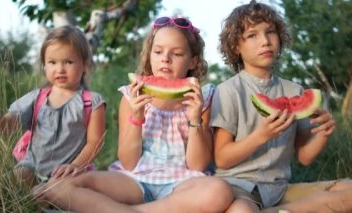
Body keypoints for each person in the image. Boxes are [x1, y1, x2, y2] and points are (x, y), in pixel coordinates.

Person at [37, 16, 234, 212]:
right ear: (150, 55)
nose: (165, 58)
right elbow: (129, 163)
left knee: (219, 190)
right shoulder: (131, 96)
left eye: (177, 53)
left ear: (193, 61)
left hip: (183, 184)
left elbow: (197, 165)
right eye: (158, 51)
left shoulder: (203, 98)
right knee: (64, 184)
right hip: (134, 180)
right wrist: (137, 118)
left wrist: (194, 119)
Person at [210, 1, 352, 212]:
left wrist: (323, 133)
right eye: (252, 35)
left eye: (271, 32)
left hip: (280, 189)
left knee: (349, 190)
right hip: (239, 188)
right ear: (236, 47)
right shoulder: (228, 91)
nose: (265, 41)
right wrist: (262, 135)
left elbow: (304, 157)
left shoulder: (295, 91)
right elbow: (222, 159)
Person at [0, 25, 106, 187]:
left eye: (68, 62)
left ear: (85, 65)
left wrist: (74, 166)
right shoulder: (36, 98)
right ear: (44, 65)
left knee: (64, 197)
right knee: (3, 186)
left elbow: (95, 143)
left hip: (69, 173)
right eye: (52, 62)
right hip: (32, 168)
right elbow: (5, 127)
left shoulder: (92, 102)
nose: (60, 69)